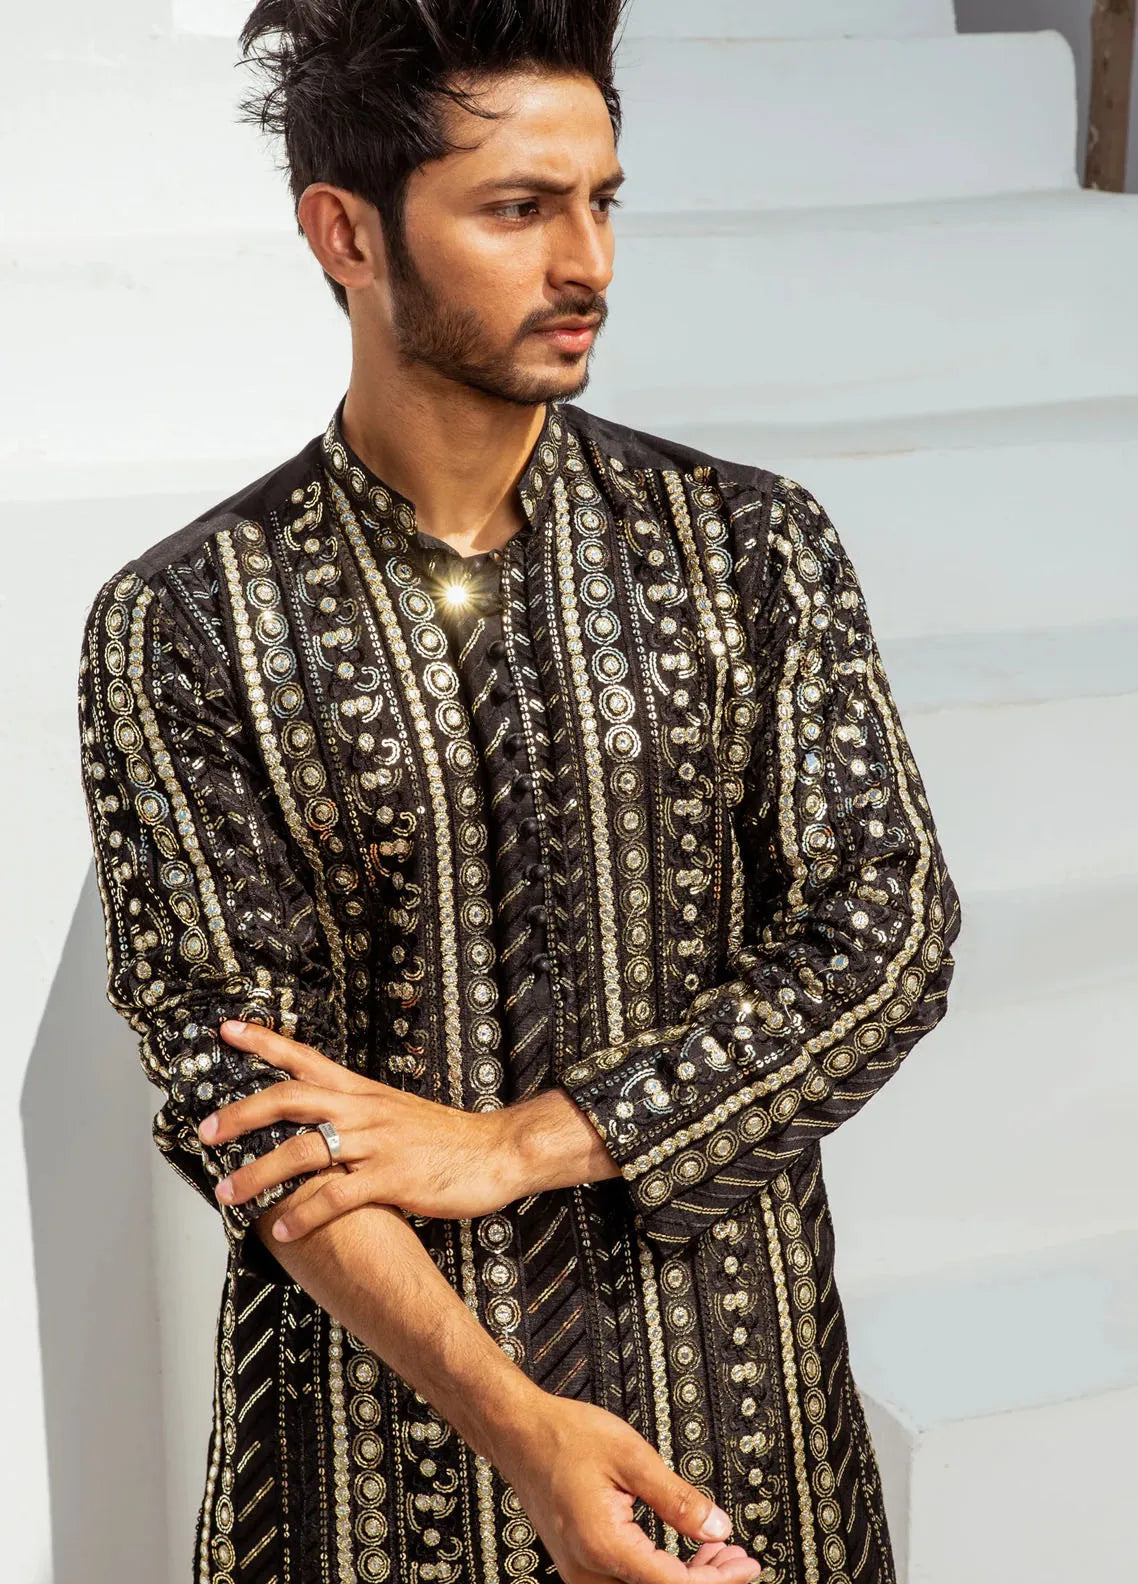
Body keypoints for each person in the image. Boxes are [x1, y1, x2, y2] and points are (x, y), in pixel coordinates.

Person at [75, 3, 962, 1582]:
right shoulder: (186, 622)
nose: (586, 263)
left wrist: (522, 1143)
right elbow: (245, 1107)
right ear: (345, 234)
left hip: (737, 1424)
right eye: (517, 209)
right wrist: (521, 1430)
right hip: (371, 1465)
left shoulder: (747, 548)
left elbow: (885, 938)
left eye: (601, 200)